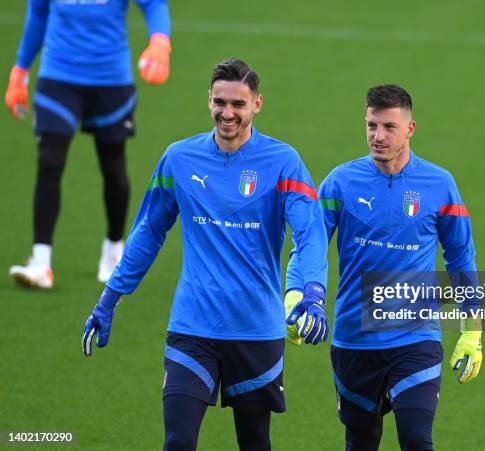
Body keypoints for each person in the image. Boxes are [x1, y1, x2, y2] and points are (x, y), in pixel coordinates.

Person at [82, 58, 330, 451]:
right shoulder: (179, 159)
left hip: (256, 331)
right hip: (192, 327)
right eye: (220, 102)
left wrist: (313, 292)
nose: (227, 112)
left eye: (238, 104)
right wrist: (109, 300)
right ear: (209, 101)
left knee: (254, 442)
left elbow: (310, 232)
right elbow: (148, 232)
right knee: (178, 441)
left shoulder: (283, 162)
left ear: (257, 105)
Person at [285, 85, 483, 450]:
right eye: (371, 125)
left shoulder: (439, 185)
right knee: (361, 441)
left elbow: (460, 258)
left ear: (410, 129)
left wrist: (473, 331)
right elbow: (308, 245)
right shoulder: (341, 182)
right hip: (354, 339)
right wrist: (296, 295)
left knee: (416, 439)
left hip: (415, 339)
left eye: (389, 127)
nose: (378, 136)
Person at [6, 0, 172, 288]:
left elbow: (153, 4)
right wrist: (20, 71)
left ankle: (113, 250)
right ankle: (41, 262)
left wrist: (159, 42)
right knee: (50, 162)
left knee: (113, 165)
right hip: (58, 77)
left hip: (110, 80)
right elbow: (37, 15)